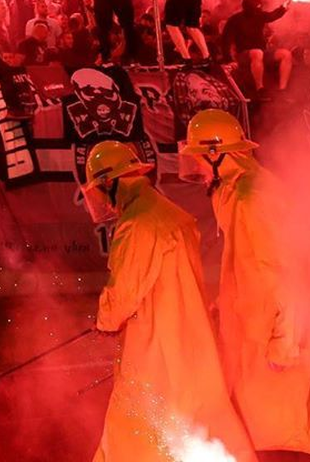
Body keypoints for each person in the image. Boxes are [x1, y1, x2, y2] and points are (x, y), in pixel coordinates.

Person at [82, 140, 257, 462]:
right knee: (205, 422)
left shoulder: (137, 224)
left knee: (136, 435)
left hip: (155, 351)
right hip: (195, 342)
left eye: (100, 189)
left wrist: (104, 321)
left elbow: (122, 295)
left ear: (110, 183)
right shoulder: (172, 215)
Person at [179, 110, 310, 453]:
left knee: (282, 438)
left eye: (198, 158)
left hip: (273, 345)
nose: (195, 167)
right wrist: (226, 301)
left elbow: (285, 274)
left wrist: (283, 346)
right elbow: (249, 265)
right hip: (259, 336)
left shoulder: (251, 197)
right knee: (267, 432)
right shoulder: (241, 190)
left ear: (217, 155)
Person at [221, 0, 291, 96]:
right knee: (257, 53)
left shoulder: (259, 15)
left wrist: (283, 8)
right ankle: (260, 89)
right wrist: (228, 59)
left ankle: (282, 90)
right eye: (256, 8)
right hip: (243, 54)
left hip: (261, 52)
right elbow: (225, 40)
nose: (258, 10)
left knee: (286, 54)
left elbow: (272, 16)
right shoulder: (235, 20)